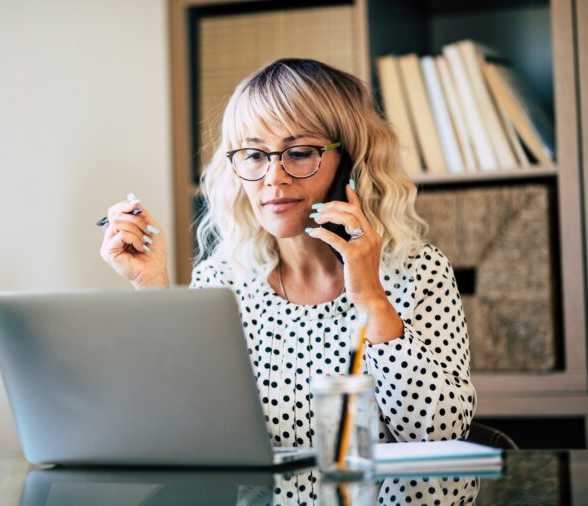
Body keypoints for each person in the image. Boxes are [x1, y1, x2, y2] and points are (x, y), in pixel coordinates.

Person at [100, 58, 476, 447]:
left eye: (298, 153)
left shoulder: (420, 271)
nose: (274, 178)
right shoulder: (222, 281)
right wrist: (152, 289)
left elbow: (440, 434)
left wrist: (370, 298)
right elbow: (177, 431)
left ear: (349, 163)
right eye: (254, 154)